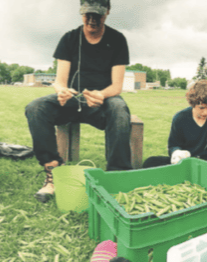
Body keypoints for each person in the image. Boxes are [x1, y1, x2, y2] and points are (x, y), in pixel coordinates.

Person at [25, 0, 132, 203]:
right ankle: (53, 171)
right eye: (87, 14)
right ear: (80, 12)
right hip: (73, 101)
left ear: (107, 12)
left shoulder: (117, 39)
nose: (92, 20)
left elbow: (116, 87)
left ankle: (117, 176)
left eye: (97, 15)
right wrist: (63, 91)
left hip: (103, 102)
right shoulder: (70, 38)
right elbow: (59, 81)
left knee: (119, 108)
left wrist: (101, 95)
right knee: (36, 107)